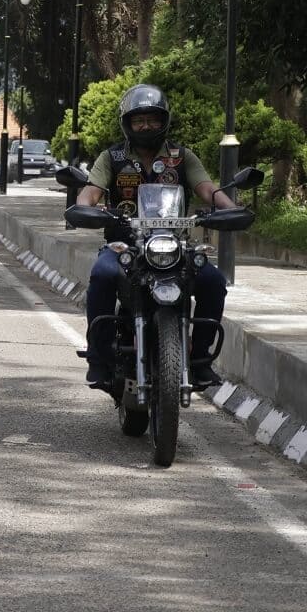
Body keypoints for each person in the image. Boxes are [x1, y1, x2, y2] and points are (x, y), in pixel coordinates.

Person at [75, 83, 234, 389]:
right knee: (102, 274)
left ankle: (200, 358)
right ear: (128, 123)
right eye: (139, 120)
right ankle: (99, 357)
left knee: (213, 281)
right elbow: (91, 191)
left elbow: (207, 188)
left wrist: (230, 209)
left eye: (152, 119)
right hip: (125, 245)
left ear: (164, 121)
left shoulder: (182, 156)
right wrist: (84, 208)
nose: (146, 126)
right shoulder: (112, 157)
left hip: (174, 245)